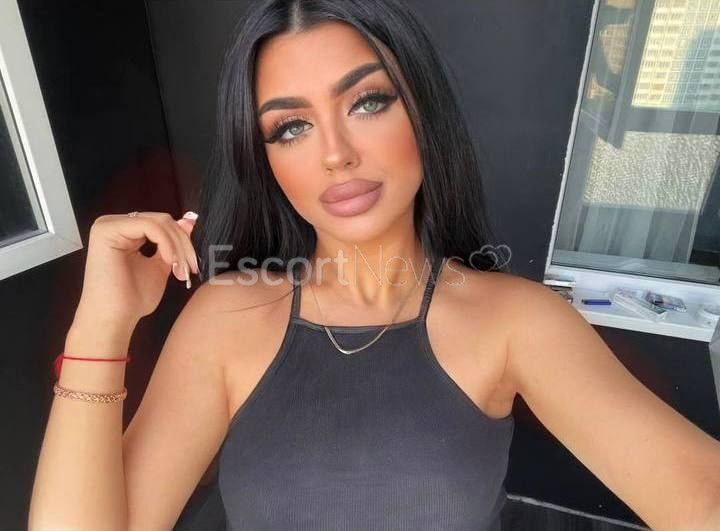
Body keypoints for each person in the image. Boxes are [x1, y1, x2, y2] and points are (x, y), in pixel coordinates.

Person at [29, 0, 720, 530]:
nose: (336, 153)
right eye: (291, 126)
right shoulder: (226, 319)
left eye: (367, 101)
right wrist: (100, 327)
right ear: (265, 160)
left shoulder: (514, 321)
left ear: (420, 112)